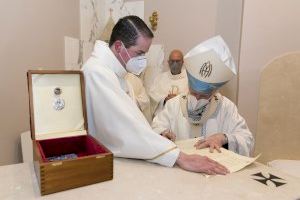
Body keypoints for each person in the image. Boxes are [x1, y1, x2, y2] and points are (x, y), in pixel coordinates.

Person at [82, 15, 228, 175]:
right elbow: (125, 128)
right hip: (102, 166)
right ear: (118, 47)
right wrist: (180, 157)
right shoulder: (97, 72)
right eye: (139, 53)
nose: (142, 60)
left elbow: (136, 123)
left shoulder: (119, 75)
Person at [151, 36, 254, 157]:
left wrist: (224, 138)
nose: (198, 98)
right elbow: (155, 129)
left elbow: (247, 140)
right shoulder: (174, 104)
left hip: (214, 169)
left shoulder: (226, 107)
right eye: (194, 92)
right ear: (188, 85)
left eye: (204, 95)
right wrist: (162, 134)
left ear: (215, 90)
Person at [149, 50, 188, 116]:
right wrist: (164, 99)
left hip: (182, 115)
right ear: (168, 62)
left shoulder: (189, 78)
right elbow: (152, 96)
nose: (175, 64)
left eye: (177, 61)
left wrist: (177, 100)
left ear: (182, 62)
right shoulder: (160, 78)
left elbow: (192, 97)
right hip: (163, 115)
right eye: (172, 61)